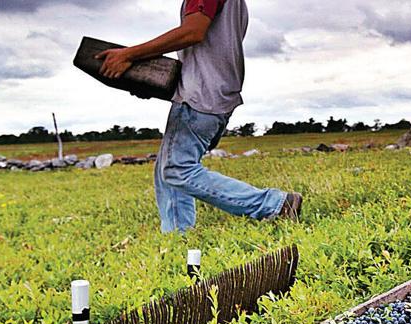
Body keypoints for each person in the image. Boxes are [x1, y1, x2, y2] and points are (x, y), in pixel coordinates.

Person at [94, 0, 301, 234]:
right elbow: (207, 50)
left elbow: (193, 32)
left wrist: (129, 55)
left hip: (201, 95)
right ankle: (178, 233)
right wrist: (148, 80)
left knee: (176, 169)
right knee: (167, 169)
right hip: (217, 92)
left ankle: (274, 205)